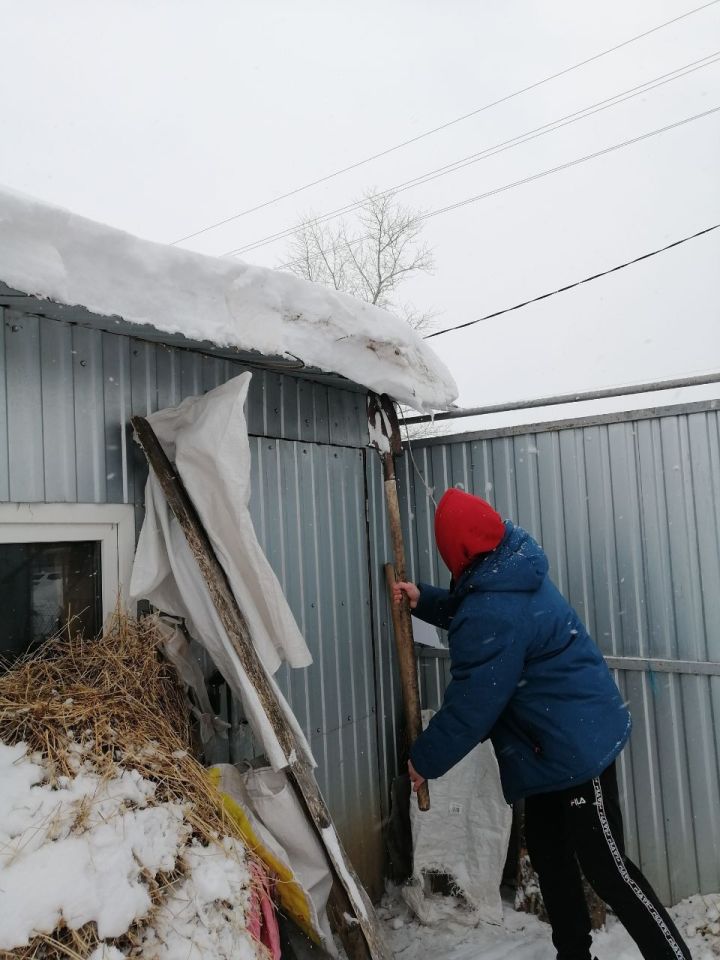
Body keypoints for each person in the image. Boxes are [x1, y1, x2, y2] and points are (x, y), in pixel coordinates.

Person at [393, 487, 691, 960]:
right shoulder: (505, 568)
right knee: (551, 854)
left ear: (457, 550)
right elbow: (473, 610)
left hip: (575, 747)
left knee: (606, 866)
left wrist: (425, 758)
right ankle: (573, 953)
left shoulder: (495, 605)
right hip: (550, 745)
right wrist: (425, 600)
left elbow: (474, 702)